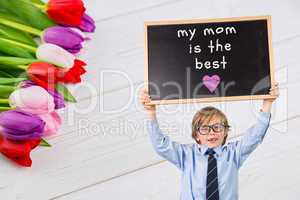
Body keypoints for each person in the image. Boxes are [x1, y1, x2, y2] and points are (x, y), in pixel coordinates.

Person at [140, 83, 279, 200]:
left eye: (217, 127)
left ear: (225, 131)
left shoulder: (234, 153)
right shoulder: (186, 155)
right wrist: (151, 112)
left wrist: (268, 103)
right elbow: (160, 145)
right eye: (205, 128)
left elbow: (255, 136)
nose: (212, 132)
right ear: (196, 135)